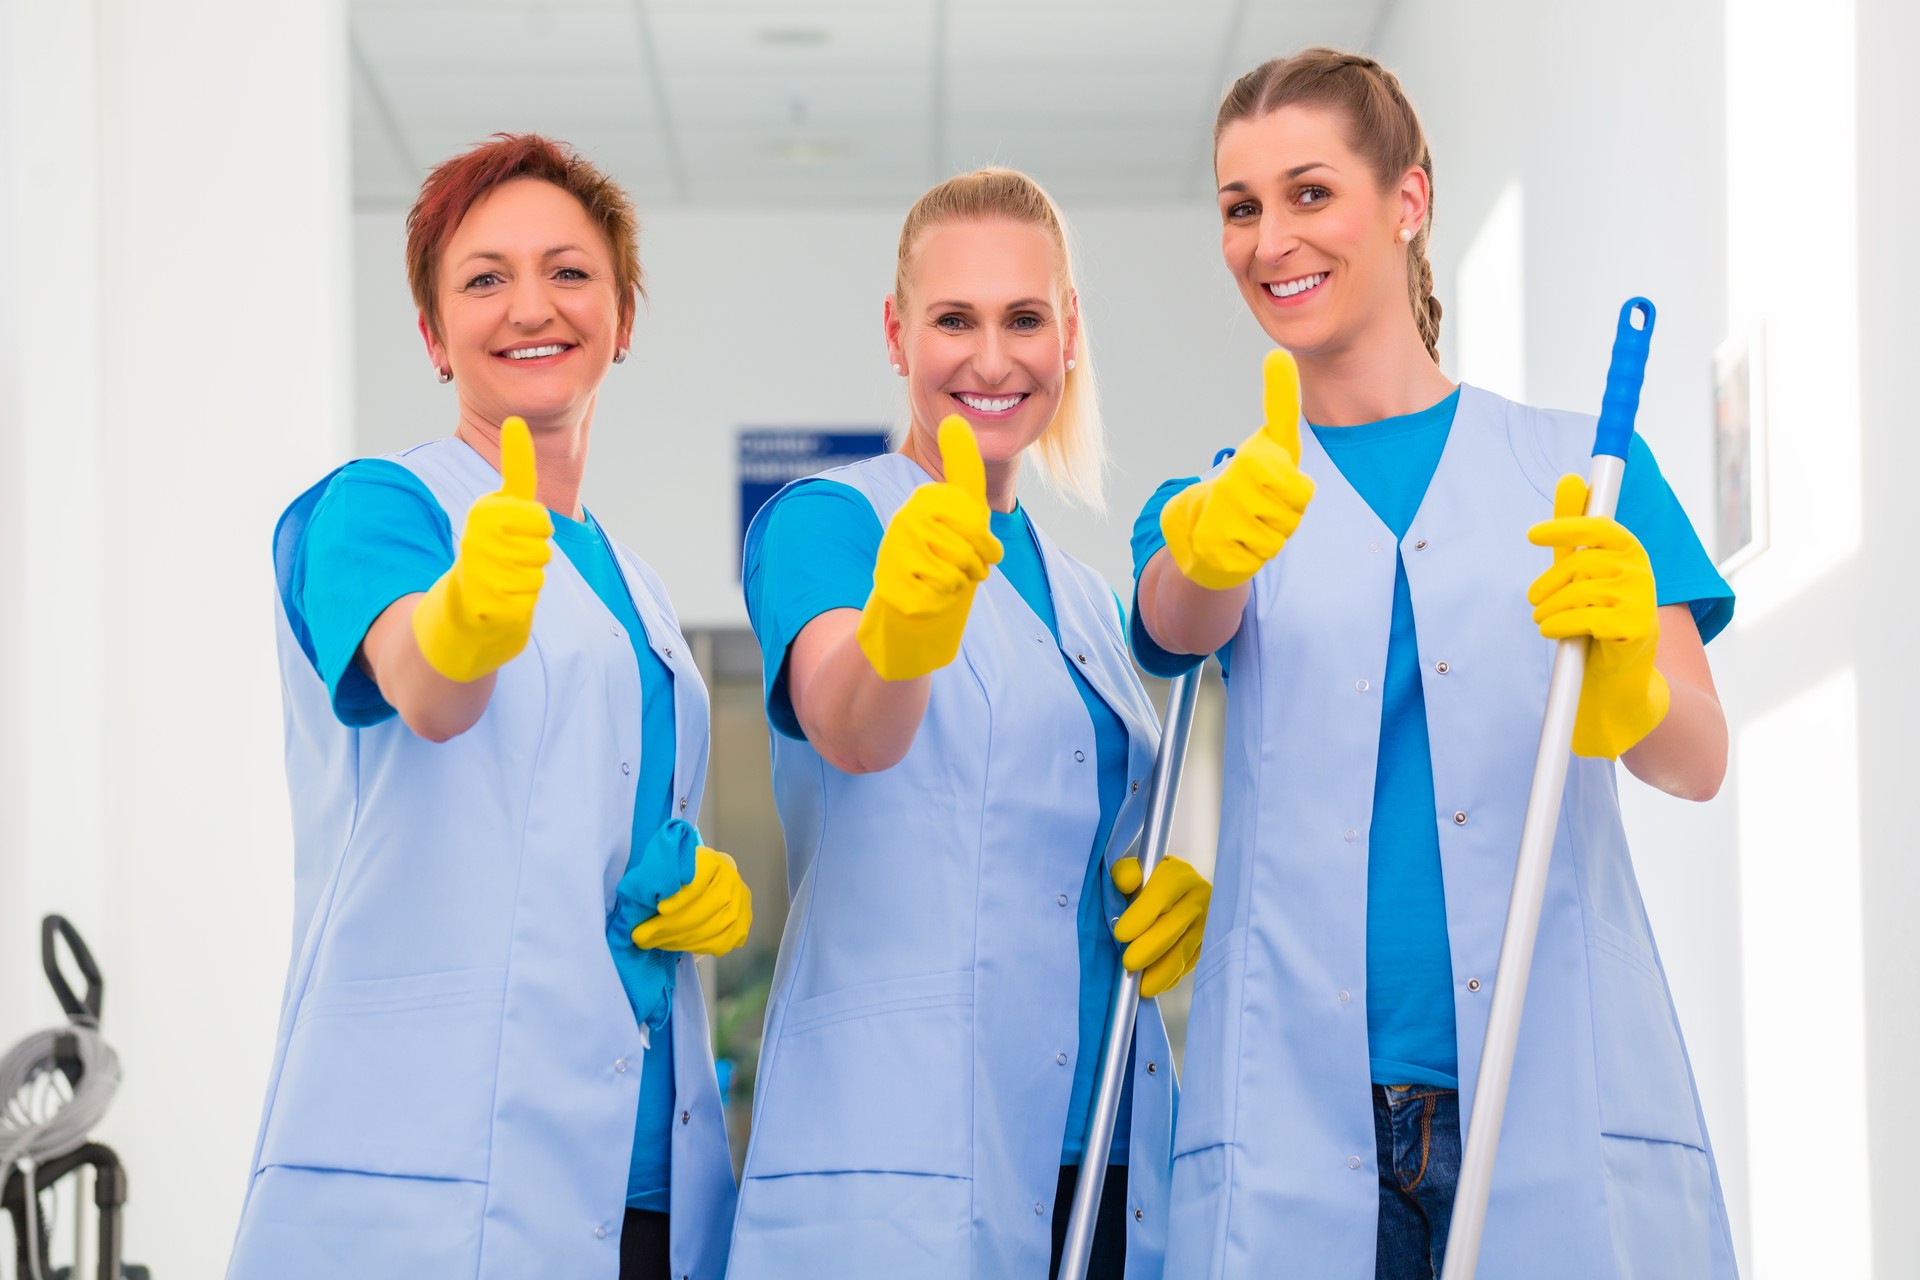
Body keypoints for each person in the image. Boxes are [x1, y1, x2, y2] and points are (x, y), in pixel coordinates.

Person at [1129, 50, 1740, 1280]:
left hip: (1542, 1086)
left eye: (1309, 193)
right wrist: (1204, 548)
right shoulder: (1218, 501)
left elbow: (1698, 756)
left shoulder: (1584, 470)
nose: (1268, 239)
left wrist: (1626, 677)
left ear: (1408, 201)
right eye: (1240, 207)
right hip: (1302, 1121)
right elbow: (1174, 619)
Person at [228, 134, 748, 1280]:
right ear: (431, 333)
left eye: (570, 271)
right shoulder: (378, 507)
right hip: (433, 1173)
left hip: (642, 1177)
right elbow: (425, 682)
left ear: (622, 317)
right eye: (483, 277)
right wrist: (464, 616)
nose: (531, 305)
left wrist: (676, 891)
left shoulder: (639, 589)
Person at [725, 168, 1208, 1280]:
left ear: (1069, 334)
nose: (991, 358)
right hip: (906, 1154)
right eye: (954, 319)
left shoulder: (1085, 596)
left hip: (1108, 1156)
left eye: (1024, 318)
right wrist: (900, 629)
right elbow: (848, 717)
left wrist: (1163, 897)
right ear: (898, 333)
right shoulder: (827, 521)